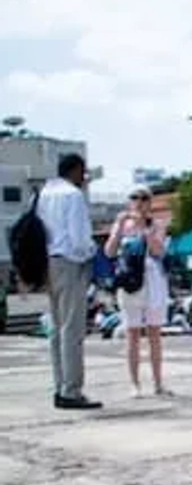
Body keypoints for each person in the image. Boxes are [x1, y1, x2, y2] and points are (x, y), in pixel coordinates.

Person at [36, 153, 101, 409]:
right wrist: (91, 253)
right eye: (83, 173)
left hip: (49, 262)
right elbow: (78, 238)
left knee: (57, 329)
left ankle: (60, 385)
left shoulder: (44, 194)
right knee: (72, 330)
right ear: (76, 171)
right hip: (70, 262)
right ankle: (72, 390)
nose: (84, 179)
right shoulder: (72, 196)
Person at [104, 185, 171, 397]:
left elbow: (159, 251)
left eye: (144, 198)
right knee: (132, 333)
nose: (139, 202)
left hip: (152, 280)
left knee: (154, 333)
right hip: (130, 281)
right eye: (135, 198)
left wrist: (146, 230)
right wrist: (120, 227)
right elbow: (109, 251)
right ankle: (134, 383)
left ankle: (158, 382)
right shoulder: (122, 225)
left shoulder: (156, 224)